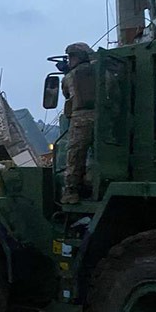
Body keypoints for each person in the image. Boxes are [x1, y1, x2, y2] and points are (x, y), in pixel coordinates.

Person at [61, 42, 96, 205]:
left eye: (71, 57)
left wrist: (67, 72)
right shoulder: (101, 70)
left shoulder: (71, 76)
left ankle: (71, 192)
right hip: (104, 118)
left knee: (74, 155)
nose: (69, 61)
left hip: (81, 118)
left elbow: (67, 92)